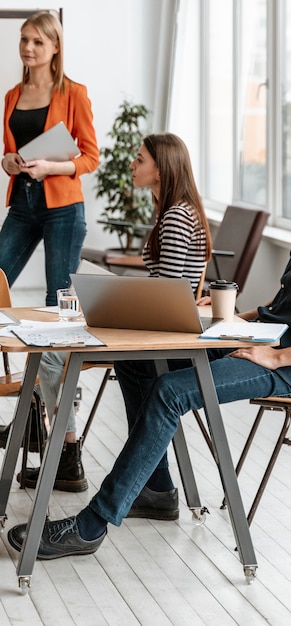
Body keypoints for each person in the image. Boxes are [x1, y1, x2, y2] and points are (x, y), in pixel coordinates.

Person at [7, 129, 291, 560]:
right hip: (267, 342)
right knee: (141, 362)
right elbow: (286, 308)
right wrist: (231, 320)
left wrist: (276, 357)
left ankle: (92, 526)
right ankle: (158, 489)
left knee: (172, 391)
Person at [12, 132, 212, 499]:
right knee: (64, 337)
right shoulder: (176, 212)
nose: (132, 164)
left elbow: (165, 295)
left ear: (161, 168)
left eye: (140, 159)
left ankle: (67, 452)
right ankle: (86, 460)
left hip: (160, 337)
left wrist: (109, 299)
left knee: (54, 354)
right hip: (161, 331)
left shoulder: (176, 218)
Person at [0, 10, 99, 458]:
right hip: (22, 204)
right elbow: (9, 152)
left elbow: (89, 158)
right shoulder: (13, 95)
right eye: (24, 40)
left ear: (55, 47)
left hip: (62, 208)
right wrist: (9, 163)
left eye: (38, 41)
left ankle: (67, 438)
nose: (28, 48)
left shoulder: (73, 93)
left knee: (61, 319)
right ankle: (31, 410)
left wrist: (51, 166)